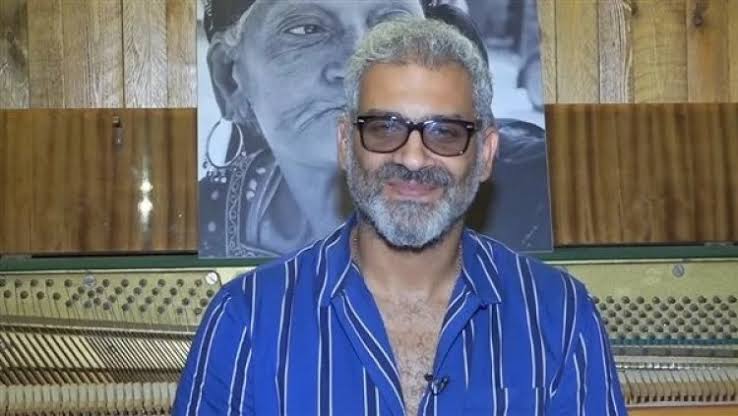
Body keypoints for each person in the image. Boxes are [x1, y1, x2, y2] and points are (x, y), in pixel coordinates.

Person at [176, 17, 626, 415]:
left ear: (486, 153)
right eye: (384, 128)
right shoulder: (246, 320)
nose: (412, 158)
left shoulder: (559, 315)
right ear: (345, 144)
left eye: (445, 132)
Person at [199, 0, 551, 258]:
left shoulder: (539, 192)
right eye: (306, 29)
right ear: (229, 79)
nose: (358, 65)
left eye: (390, 26)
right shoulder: (204, 219)